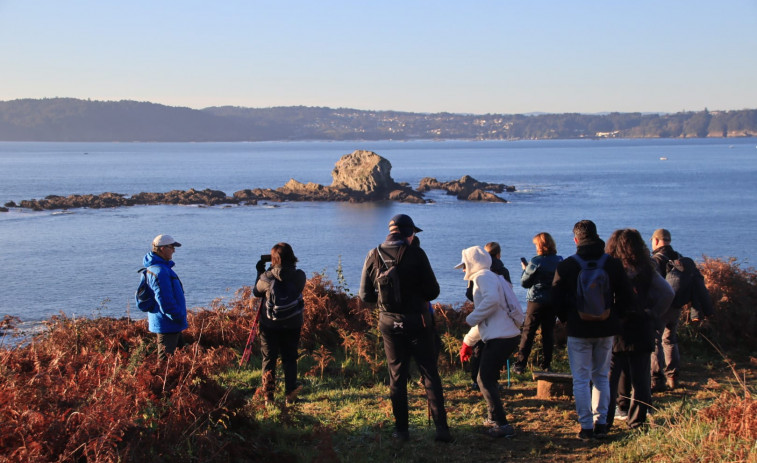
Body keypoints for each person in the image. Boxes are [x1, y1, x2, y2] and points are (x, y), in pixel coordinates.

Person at [359, 214, 452, 443]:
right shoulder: (416, 253)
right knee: (429, 372)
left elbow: (365, 295)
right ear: (409, 233)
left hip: (389, 323)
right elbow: (433, 292)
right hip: (417, 322)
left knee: (397, 376)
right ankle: (441, 430)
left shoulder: (373, 254)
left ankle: (401, 431)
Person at [552, 220, 633, 440]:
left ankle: (586, 427)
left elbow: (555, 299)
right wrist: (615, 316)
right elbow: (626, 296)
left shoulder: (567, 266)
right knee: (601, 377)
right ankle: (602, 424)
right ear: (597, 236)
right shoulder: (612, 264)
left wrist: (566, 319)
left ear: (576, 239)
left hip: (578, 329)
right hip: (606, 328)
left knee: (580, 379)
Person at [605, 229, 674, 430]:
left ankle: (606, 419)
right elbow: (667, 293)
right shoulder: (646, 270)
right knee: (641, 378)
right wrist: (652, 313)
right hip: (641, 326)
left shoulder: (610, 268)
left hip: (616, 327)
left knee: (610, 376)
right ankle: (637, 421)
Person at [457, 246, 525, 438]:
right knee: (488, 378)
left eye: (464, 265)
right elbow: (490, 318)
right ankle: (493, 418)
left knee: (483, 379)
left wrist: (471, 318)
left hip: (500, 337)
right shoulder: (491, 276)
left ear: (472, 263)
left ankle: (502, 425)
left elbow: (492, 302)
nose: (463, 269)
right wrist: (468, 342)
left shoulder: (482, 277)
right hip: (505, 335)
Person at [649, 229, 713, 391]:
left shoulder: (656, 260)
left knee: (655, 341)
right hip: (676, 306)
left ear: (656, 241)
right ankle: (673, 377)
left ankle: (656, 380)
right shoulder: (679, 257)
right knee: (670, 340)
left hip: (661, 306)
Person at [253, 243, 307, 405]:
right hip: (292, 323)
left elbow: (256, 292)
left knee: (269, 358)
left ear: (274, 259)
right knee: (290, 358)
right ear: (292, 257)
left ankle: (268, 397)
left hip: (269, 325)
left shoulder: (266, 278)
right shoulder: (299, 276)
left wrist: (260, 272)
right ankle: (290, 395)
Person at [513, 232, 563, 374]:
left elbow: (525, 283)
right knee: (548, 333)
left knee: (528, 332)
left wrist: (524, 270)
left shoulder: (536, 262)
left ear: (540, 245)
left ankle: (520, 364)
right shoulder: (559, 260)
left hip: (536, 300)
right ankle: (546, 363)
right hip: (552, 300)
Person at [465, 242, 512, 390]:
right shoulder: (503, 270)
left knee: (479, 348)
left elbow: (470, 293)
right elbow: (508, 292)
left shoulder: (478, 272)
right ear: (498, 254)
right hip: (501, 318)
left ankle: (476, 380)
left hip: (483, 314)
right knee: (494, 352)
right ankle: (493, 380)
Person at [139, 234, 187, 361]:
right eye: (172, 247)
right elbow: (165, 301)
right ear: (162, 248)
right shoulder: (160, 272)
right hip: (168, 323)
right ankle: (163, 381)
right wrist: (178, 316)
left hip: (170, 323)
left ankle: (178, 380)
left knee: (181, 358)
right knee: (165, 363)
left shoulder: (160, 268)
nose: (174, 250)